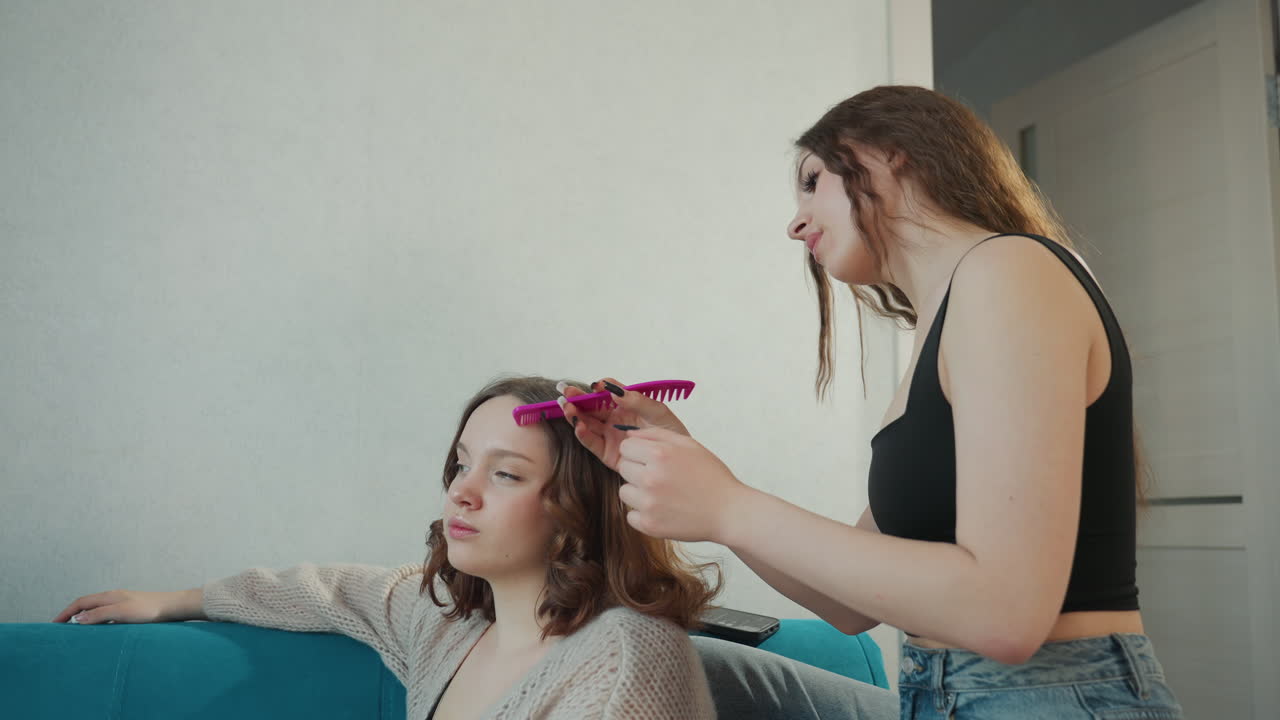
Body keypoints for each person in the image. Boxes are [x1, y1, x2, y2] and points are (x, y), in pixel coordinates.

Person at [560, 85, 1184, 719]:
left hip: (1050, 698)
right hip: (937, 691)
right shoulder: (942, 323)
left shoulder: (1010, 270)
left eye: (811, 180)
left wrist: (728, 507)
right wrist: (700, 477)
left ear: (892, 153)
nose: (795, 222)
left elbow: (1006, 613)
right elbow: (849, 607)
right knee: (703, 667)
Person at [53, 376, 722, 720]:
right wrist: (176, 601)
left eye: (506, 474)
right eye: (461, 465)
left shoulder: (625, 665)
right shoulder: (447, 625)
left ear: (576, 510)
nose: (462, 492)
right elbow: (333, 590)